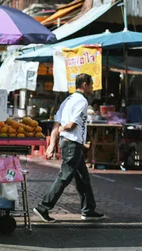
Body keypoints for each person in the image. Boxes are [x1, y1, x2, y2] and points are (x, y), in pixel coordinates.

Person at [33, 73, 104, 222]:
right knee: (64, 177)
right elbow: (71, 125)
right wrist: (61, 132)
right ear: (85, 84)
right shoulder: (81, 101)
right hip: (72, 144)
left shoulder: (67, 100)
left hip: (70, 144)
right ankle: (43, 207)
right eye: (91, 84)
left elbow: (56, 124)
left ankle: (88, 209)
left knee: (83, 178)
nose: (92, 87)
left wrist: (52, 143)